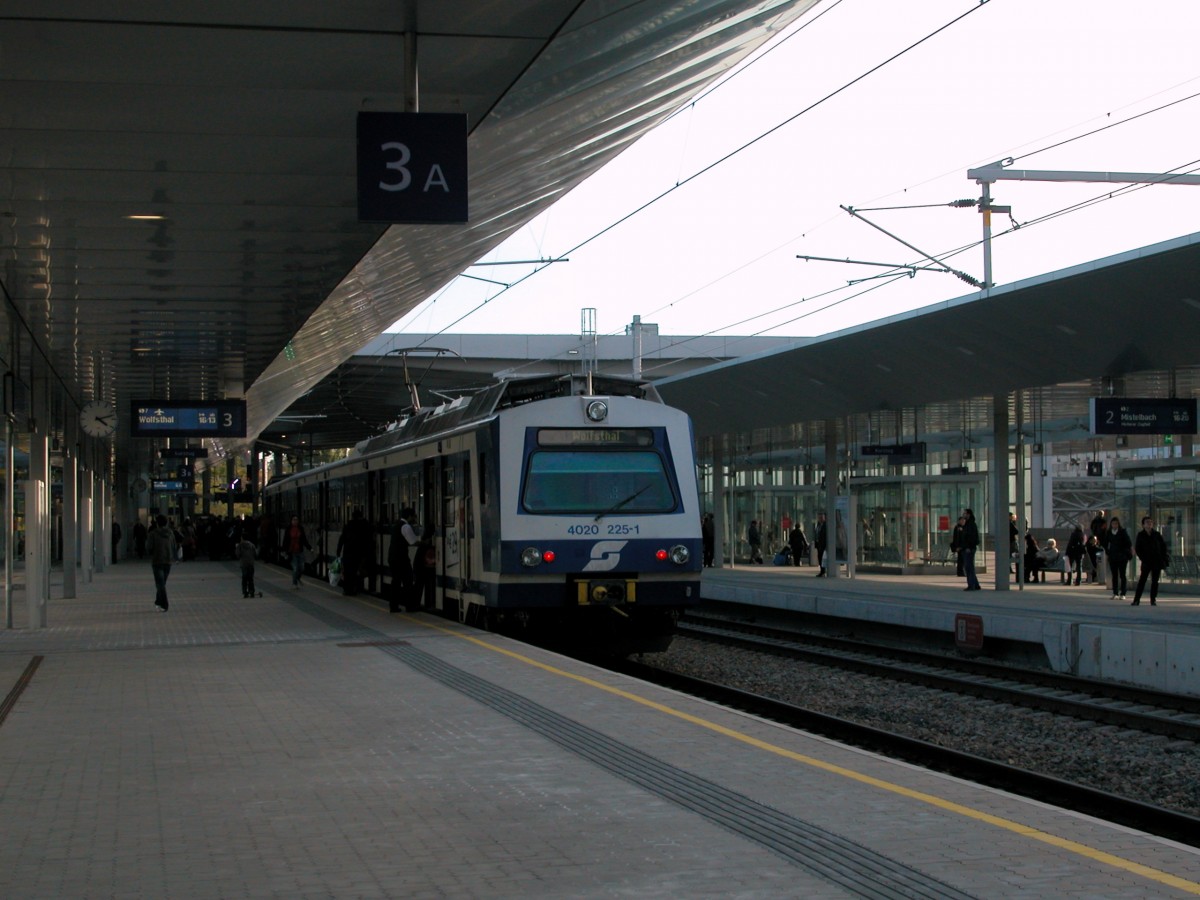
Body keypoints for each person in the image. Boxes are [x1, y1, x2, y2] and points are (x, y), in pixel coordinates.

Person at [1131, 515, 1169, 606]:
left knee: (1155, 581)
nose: (1149, 524)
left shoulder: (1157, 534)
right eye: (1147, 522)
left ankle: (1153, 599)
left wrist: (1163, 557)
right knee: (1142, 581)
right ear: (1143, 525)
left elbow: (1163, 546)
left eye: (1150, 522)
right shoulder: (1141, 535)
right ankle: (1136, 600)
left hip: (1156, 561)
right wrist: (1143, 558)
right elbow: (1138, 548)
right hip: (1146, 561)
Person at [336, 508, 374, 596]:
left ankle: (347, 589)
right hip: (358, 553)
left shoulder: (348, 525)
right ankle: (355, 588)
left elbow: (342, 539)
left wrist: (338, 551)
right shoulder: (364, 525)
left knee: (347, 572)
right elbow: (368, 539)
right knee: (355, 572)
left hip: (347, 553)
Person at [389, 507, 418, 612]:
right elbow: (413, 542)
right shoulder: (406, 526)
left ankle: (393, 606)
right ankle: (410, 606)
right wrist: (424, 543)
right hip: (401, 559)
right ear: (409, 516)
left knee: (396, 582)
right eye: (414, 516)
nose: (415, 518)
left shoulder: (396, 525)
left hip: (393, 557)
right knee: (408, 582)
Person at [146, 514, 178, 612]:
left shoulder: (153, 534)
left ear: (157, 523)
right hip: (168, 561)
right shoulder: (170, 533)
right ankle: (158, 601)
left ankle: (164, 604)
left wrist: (151, 553)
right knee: (162, 583)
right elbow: (174, 546)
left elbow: (149, 547)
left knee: (160, 584)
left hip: (157, 561)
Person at [1103, 516, 1133, 601]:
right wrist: (1108, 552)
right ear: (1111, 525)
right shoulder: (1109, 533)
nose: (1114, 525)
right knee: (1114, 575)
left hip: (1122, 556)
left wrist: (1127, 551)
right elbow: (1105, 543)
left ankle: (1123, 593)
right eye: (1113, 524)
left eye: (1116, 523)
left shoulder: (1122, 532)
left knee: (1122, 575)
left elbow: (1128, 542)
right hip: (1113, 556)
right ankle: (1115, 593)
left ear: (1118, 524)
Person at [411, 523, 436, 609]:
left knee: (419, 586)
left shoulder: (424, 540)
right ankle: (416, 604)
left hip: (419, 566)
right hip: (422, 567)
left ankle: (415, 604)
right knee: (421, 585)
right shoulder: (428, 542)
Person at [284, 515, 311, 588]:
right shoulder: (288, 529)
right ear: (291, 521)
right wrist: (285, 551)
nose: (295, 521)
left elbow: (304, 539)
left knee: (302, 567)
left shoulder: (300, 529)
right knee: (295, 568)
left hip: (300, 551)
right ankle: (294, 583)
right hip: (292, 552)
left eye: (296, 520)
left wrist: (309, 547)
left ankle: (297, 577)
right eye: (294, 520)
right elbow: (285, 541)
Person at [959, 508, 981, 591]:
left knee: (969, 567)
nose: (963, 515)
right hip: (967, 547)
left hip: (969, 548)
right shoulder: (968, 524)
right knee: (970, 567)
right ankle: (976, 584)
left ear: (968, 514)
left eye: (965, 513)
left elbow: (971, 537)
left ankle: (971, 585)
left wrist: (968, 547)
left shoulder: (970, 524)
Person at [237, 532, 259, 598]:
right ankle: (251, 592)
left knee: (244, 579)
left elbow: (238, 555)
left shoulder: (240, 545)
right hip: (251, 564)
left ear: (242, 538)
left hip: (244, 564)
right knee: (250, 579)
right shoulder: (252, 545)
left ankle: (245, 593)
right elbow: (256, 554)